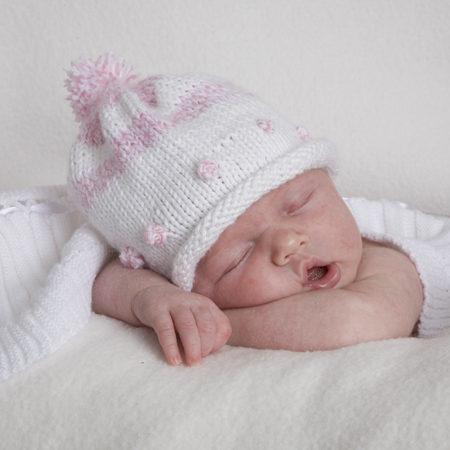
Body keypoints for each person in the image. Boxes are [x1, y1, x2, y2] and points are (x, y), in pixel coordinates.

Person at [65, 53, 450, 367]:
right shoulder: (171, 277)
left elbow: (353, 323)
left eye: (298, 206)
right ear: (187, 282)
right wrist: (151, 298)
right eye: (238, 256)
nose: (287, 241)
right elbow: (104, 277)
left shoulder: (386, 262)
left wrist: (216, 321)